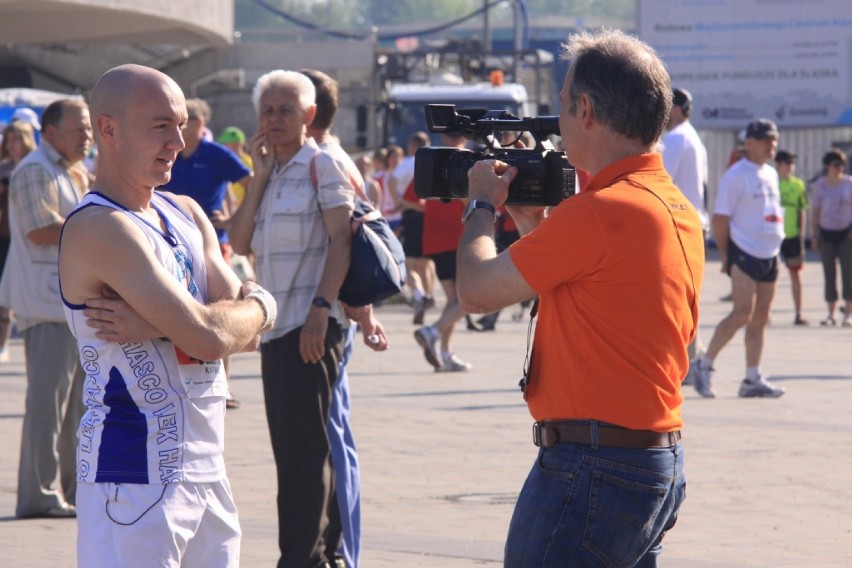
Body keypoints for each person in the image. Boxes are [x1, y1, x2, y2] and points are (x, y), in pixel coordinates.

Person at [456, 29, 703, 565]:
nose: (560, 120)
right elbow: (600, 300)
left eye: (563, 106)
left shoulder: (600, 211)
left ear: (585, 109)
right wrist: (533, 226)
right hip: (649, 458)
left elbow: (475, 290)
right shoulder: (669, 204)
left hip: (592, 465)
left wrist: (479, 206)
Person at [58, 63, 275, 567]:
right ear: (108, 129)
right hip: (132, 477)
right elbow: (209, 337)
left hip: (206, 469)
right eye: (161, 125)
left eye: (181, 124)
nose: (179, 141)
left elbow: (247, 337)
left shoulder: (186, 212)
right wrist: (258, 305)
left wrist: (246, 311)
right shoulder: (101, 226)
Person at [228, 69, 384, 568]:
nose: (274, 120)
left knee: (303, 452)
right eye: (267, 111)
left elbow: (341, 241)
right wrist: (257, 176)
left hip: (311, 326)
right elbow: (240, 241)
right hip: (276, 327)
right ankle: (323, 551)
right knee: (300, 447)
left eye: (285, 111)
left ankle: (303, 557)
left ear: (309, 115)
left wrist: (322, 311)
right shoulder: (272, 172)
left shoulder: (323, 165)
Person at [301, 67, 389, 568]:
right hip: (330, 316)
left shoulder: (327, 161)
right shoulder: (326, 157)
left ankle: (342, 551)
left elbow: (353, 242)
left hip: (328, 318)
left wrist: (361, 313)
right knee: (332, 437)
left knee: (334, 440)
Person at [0, 99, 91, 519]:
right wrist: (100, 229)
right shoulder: (36, 169)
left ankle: (74, 491)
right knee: (47, 409)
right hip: (47, 303)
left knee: (77, 410)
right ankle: (37, 495)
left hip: (71, 305)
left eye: (89, 127)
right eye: (79, 128)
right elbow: (40, 229)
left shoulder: (71, 169)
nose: (87, 135)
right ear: (49, 132)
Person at [161, 99, 252, 410]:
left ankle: (221, 386)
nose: (180, 130)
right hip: (168, 243)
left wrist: (232, 219)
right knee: (178, 310)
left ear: (201, 125)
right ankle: (179, 382)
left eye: (186, 123)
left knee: (220, 310)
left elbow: (252, 184)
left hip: (212, 244)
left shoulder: (216, 154)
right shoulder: (168, 153)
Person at [691, 118, 786, 398]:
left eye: (775, 140)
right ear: (751, 142)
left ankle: (752, 377)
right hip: (744, 251)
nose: (773, 145)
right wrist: (727, 255)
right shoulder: (736, 175)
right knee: (742, 312)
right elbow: (721, 219)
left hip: (770, 252)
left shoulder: (770, 173)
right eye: (767, 140)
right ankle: (704, 364)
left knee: (762, 316)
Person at [414, 132, 473, 372]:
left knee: (453, 300)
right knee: (467, 299)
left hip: (434, 239)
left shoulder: (430, 159)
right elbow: (468, 198)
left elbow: (413, 193)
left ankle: (447, 354)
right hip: (456, 237)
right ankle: (432, 331)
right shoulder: (465, 160)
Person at [662, 86, 710, 382]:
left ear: (675, 109)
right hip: (692, 224)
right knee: (687, 297)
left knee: (678, 298)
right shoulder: (692, 137)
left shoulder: (677, 139)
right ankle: (693, 359)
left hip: (679, 226)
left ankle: (689, 364)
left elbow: (659, 180)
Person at [0, 120, 38, 362]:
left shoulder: (36, 166)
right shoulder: (3, 167)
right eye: (9, 140)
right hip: (4, 234)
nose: (13, 145)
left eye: (17, 139)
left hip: (29, 237)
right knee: (3, 292)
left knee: (25, 291)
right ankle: (2, 344)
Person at [391, 132, 435, 323]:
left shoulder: (409, 163)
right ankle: (427, 295)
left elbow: (392, 180)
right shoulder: (433, 162)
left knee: (408, 264)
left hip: (412, 216)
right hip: (429, 214)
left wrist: (400, 202)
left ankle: (420, 295)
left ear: (412, 146)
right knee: (425, 264)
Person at [810, 149, 852, 327]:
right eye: (836, 165)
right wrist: (814, 234)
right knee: (829, 273)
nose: (839, 168)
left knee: (848, 273)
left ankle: (848, 314)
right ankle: (831, 313)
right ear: (828, 166)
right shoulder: (821, 185)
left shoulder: (849, 183)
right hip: (826, 233)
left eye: (842, 165)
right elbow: (815, 210)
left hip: (846, 233)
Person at [775, 150, 810, 325]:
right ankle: (764, 314)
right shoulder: (770, 183)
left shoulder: (798, 185)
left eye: (792, 163)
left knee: (795, 274)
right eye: (787, 163)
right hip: (773, 236)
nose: (791, 167)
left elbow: (802, 210)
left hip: (792, 236)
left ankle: (798, 313)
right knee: (770, 276)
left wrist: (801, 235)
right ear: (779, 165)